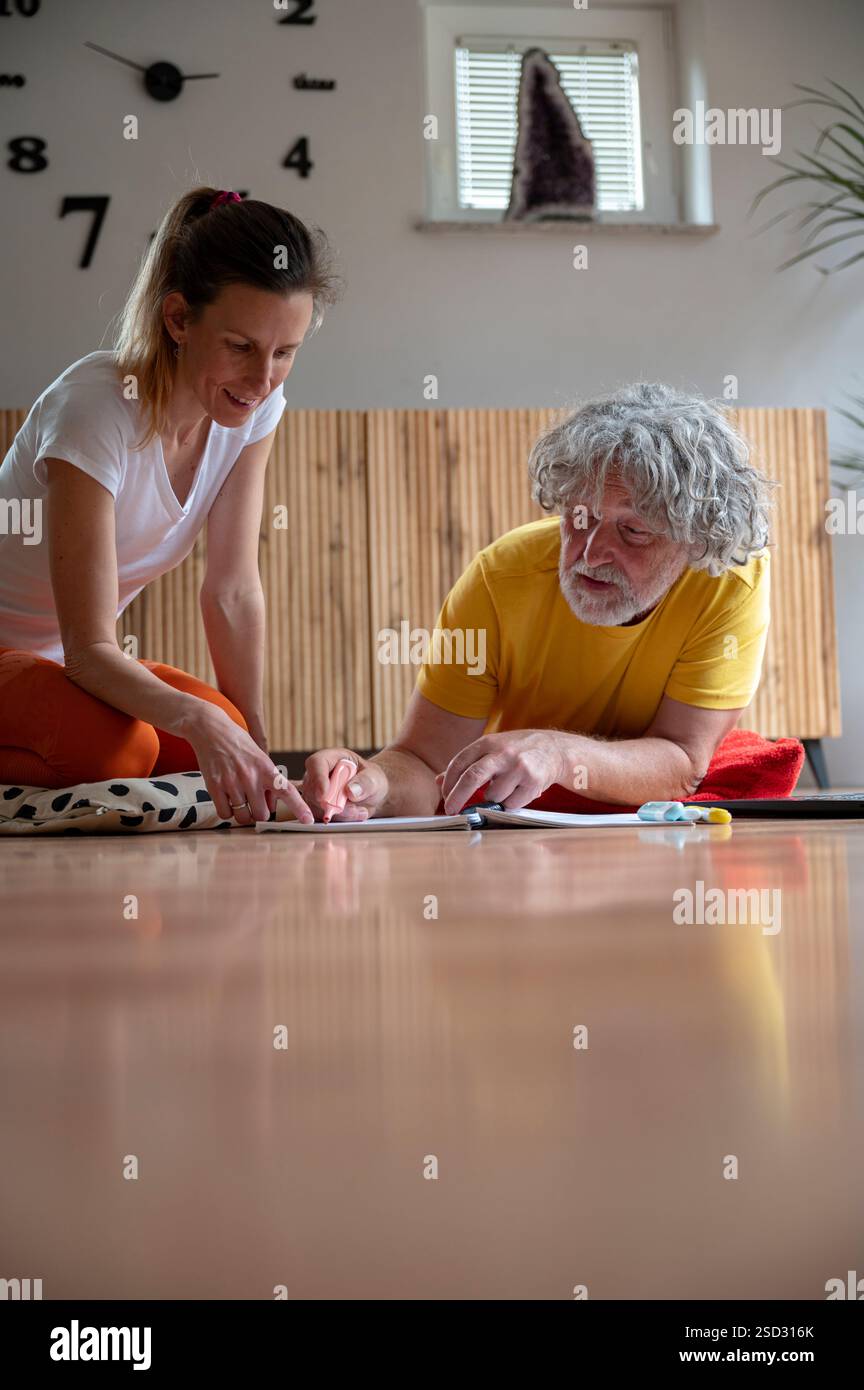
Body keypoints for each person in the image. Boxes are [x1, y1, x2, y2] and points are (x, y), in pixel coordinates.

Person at [0, 186, 341, 825]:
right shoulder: (96, 409)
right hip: (54, 658)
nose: (262, 379)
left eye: (285, 353)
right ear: (179, 319)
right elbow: (89, 648)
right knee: (121, 751)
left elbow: (232, 589)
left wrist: (256, 751)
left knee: (219, 731)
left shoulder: (253, 407)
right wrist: (199, 719)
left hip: (59, 669)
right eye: (240, 346)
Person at [300, 384, 776, 820]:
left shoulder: (729, 582)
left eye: (632, 531)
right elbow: (425, 763)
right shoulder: (499, 579)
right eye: (580, 518)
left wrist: (560, 754)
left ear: (696, 543)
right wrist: (372, 786)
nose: (591, 554)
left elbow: (683, 761)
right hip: (522, 825)